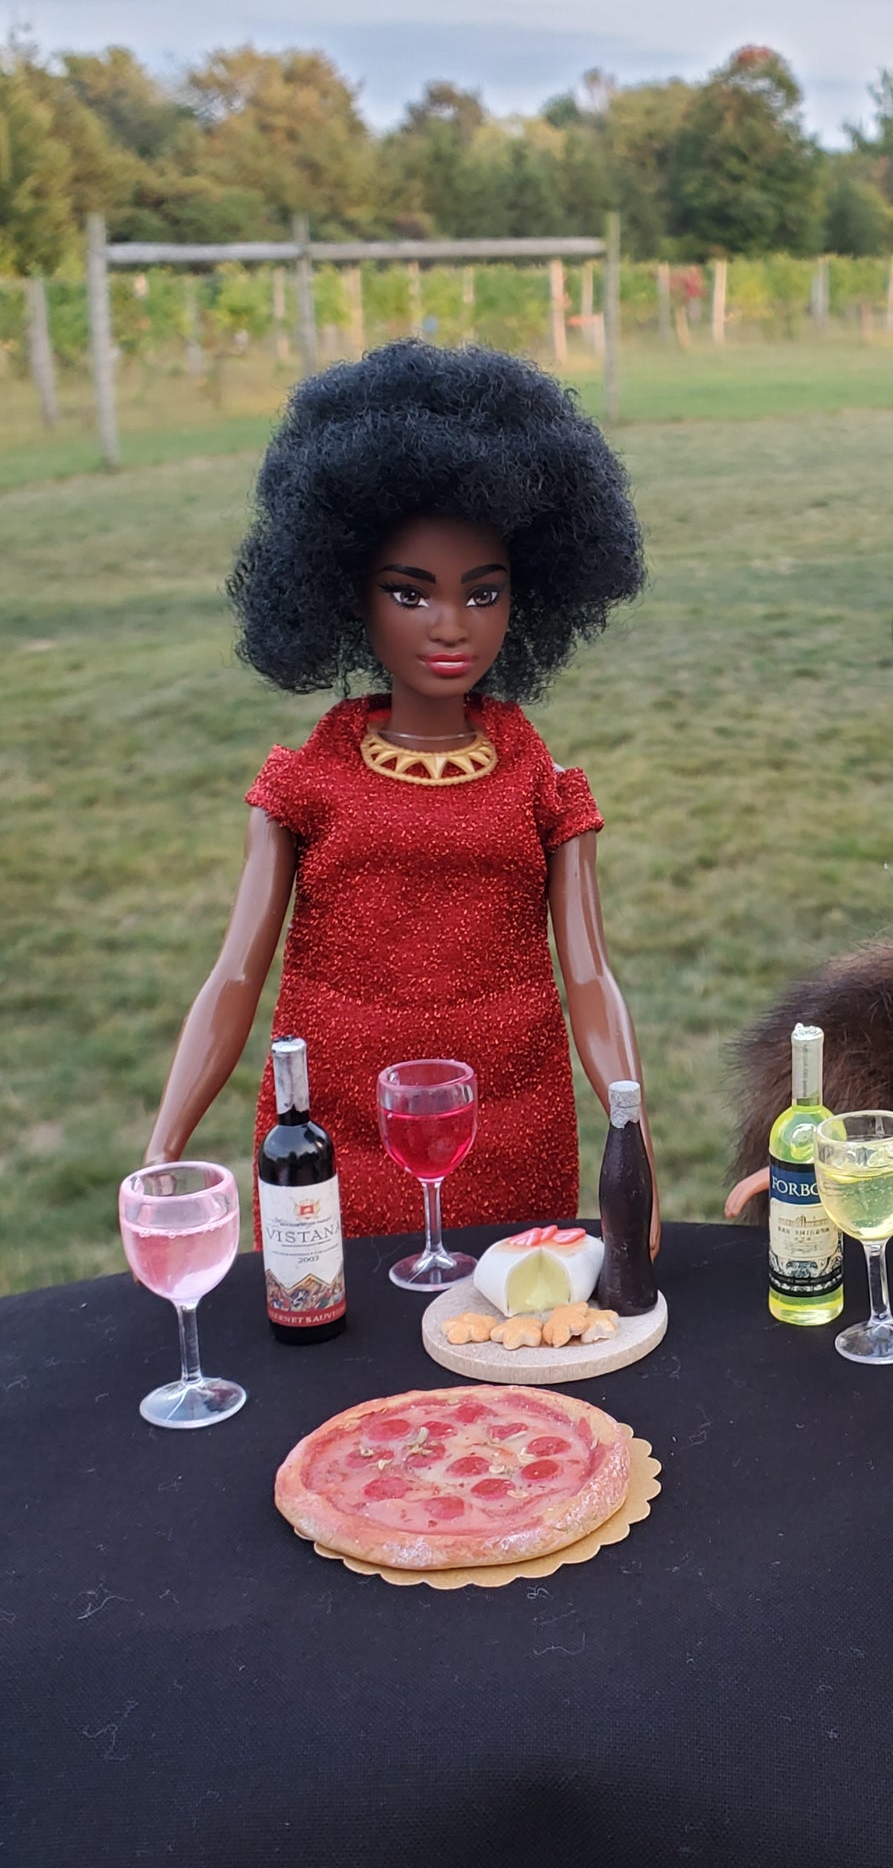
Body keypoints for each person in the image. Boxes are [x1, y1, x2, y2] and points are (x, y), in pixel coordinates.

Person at [146, 340, 657, 1246]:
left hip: (511, 1119)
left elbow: (589, 975)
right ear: (348, 595)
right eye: (409, 593)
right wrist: (164, 1146)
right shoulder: (305, 783)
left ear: (526, 600)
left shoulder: (545, 787)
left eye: (484, 592)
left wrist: (633, 1139)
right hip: (335, 1130)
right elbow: (235, 972)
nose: (452, 625)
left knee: (505, 1340)